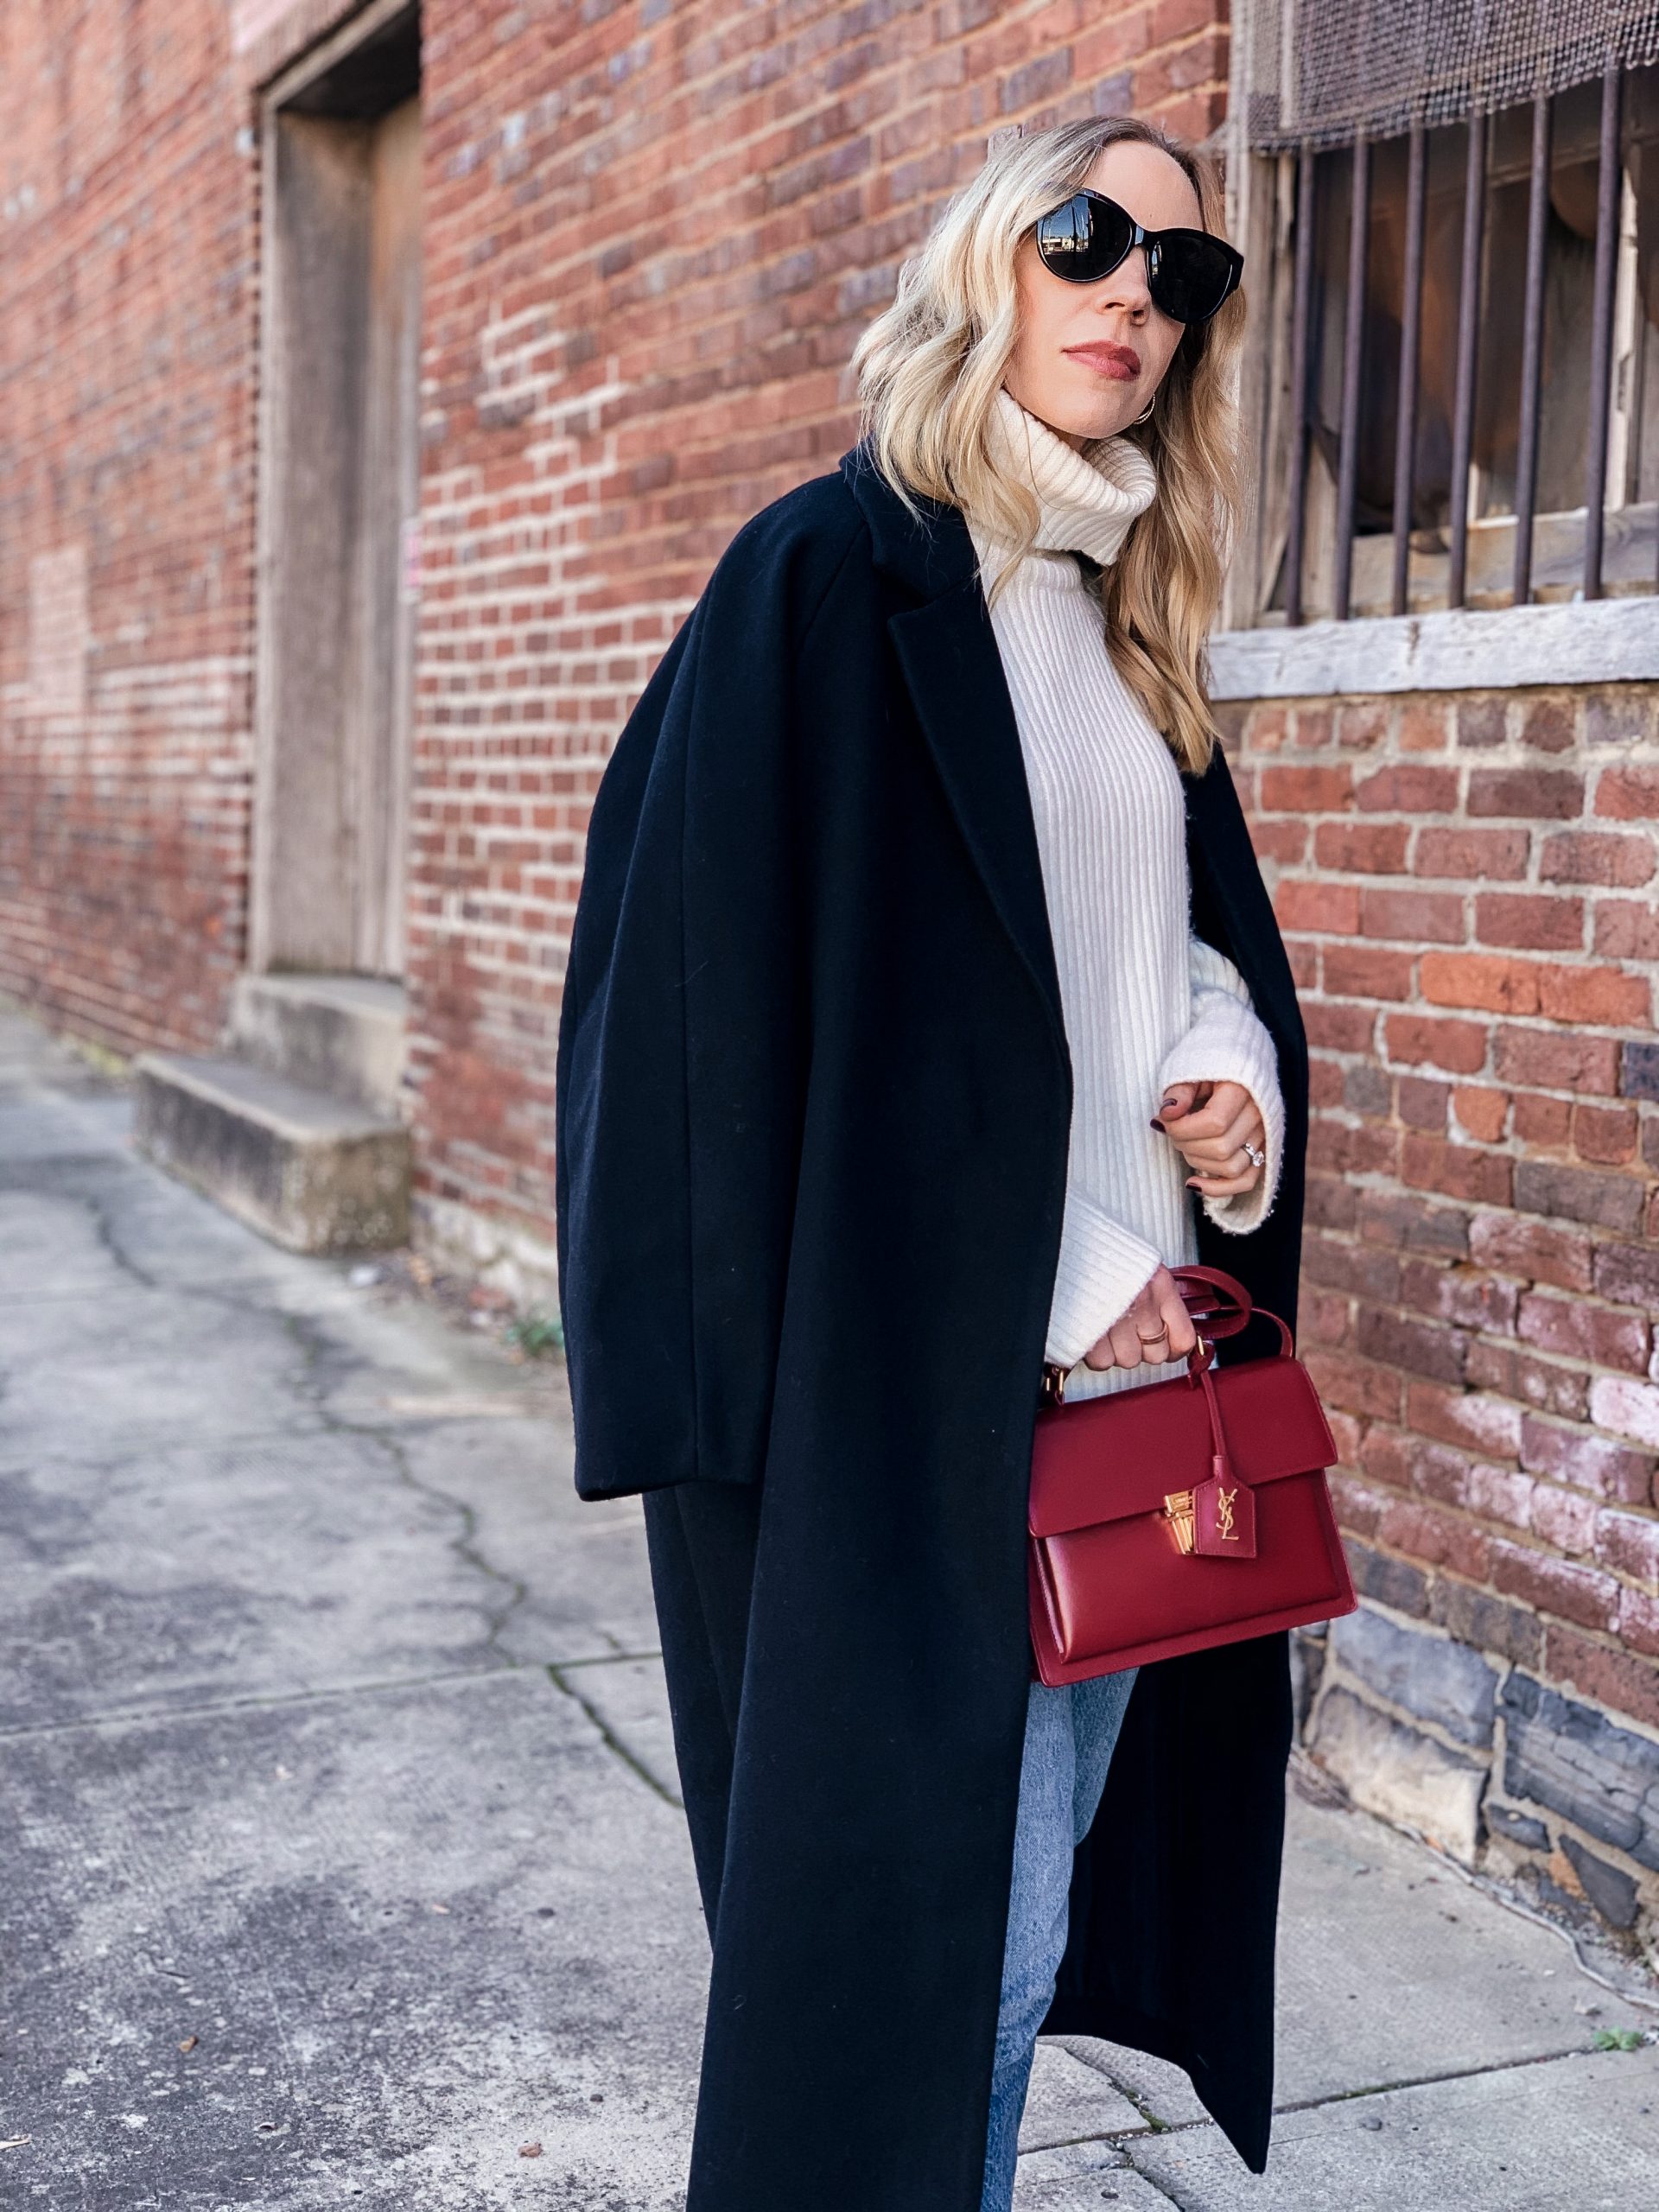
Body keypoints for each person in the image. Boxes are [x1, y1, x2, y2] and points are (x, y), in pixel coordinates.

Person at [556, 115, 1307, 2212]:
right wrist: (1076, 1282)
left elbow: (1174, 954)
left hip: (1145, 1412)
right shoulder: (834, 575)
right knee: (925, 1971)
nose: (1136, 298)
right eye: (1091, 239)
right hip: (916, 1408)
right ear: (993, 251)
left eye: (1187, 272)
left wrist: (1230, 1073)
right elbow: (713, 1006)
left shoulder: (1125, 616)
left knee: (1018, 1930)